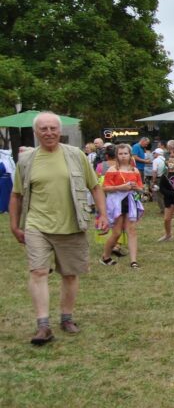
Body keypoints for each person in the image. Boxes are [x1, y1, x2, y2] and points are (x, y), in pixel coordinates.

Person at [9, 112, 109, 345]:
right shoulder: (26, 160)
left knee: (70, 274)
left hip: (72, 223)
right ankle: (43, 325)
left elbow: (94, 187)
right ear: (36, 133)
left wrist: (103, 214)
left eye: (53, 128)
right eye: (43, 129)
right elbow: (16, 195)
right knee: (38, 271)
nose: (49, 132)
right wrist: (14, 226)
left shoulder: (76, 155)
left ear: (59, 130)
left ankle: (66, 317)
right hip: (37, 225)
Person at [99, 143, 145, 269]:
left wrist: (137, 188)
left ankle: (133, 261)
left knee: (132, 230)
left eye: (126, 153)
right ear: (116, 155)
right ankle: (106, 256)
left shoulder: (135, 170)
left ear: (130, 155)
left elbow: (141, 188)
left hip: (130, 201)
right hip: (116, 203)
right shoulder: (112, 170)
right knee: (117, 232)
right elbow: (105, 188)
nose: (123, 156)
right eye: (120, 154)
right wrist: (121, 187)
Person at [157, 153, 174, 244]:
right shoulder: (165, 175)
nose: (170, 163)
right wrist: (173, 193)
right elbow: (162, 188)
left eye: (173, 161)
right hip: (169, 198)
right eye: (169, 161)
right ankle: (168, 234)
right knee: (166, 218)